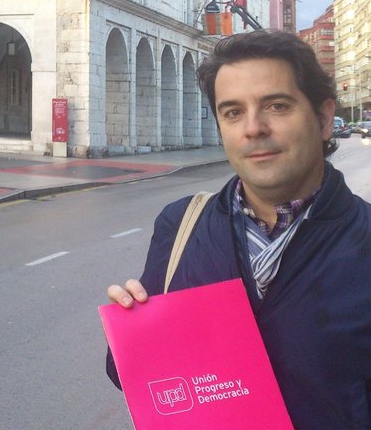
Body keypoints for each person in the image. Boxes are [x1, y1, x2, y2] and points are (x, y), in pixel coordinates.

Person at [104, 30, 370, 428]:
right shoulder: (181, 225)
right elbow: (142, 382)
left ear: (324, 118)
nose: (253, 128)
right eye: (232, 112)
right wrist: (131, 330)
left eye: (277, 106)